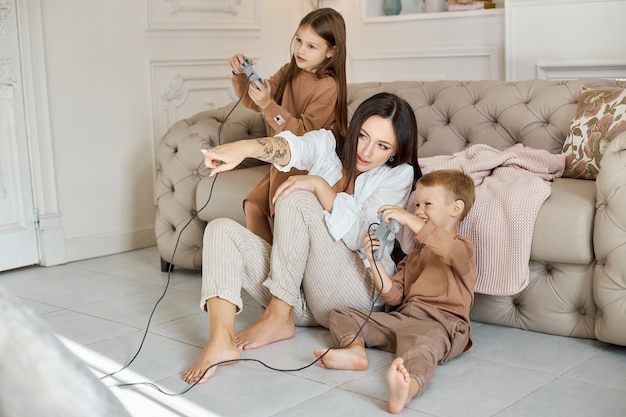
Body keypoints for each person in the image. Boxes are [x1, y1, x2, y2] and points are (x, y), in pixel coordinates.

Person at [182, 92, 421, 385]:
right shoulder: (328, 145)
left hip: (355, 296)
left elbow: (362, 236)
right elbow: (289, 147)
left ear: (395, 152)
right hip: (305, 297)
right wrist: (242, 149)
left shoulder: (398, 175)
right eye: (363, 136)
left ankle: (278, 316)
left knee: (299, 195)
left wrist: (320, 186)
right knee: (219, 229)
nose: (367, 152)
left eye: (382, 146)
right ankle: (221, 341)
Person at [313, 169, 476, 414]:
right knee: (341, 314)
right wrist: (374, 262)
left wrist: (409, 219)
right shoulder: (415, 257)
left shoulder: (463, 249)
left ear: (455, 209)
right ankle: (354, 350)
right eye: (416, 204)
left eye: (427, 204)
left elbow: (447, 249)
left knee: (420, 348)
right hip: (403, 319)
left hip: (441, 324)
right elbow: (394, 295)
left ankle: (406, 389)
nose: (418, 210)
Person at [229, 8, 348, 244]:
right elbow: (255, 102)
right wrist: (241, 75)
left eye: (311, 46)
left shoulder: (328, 86)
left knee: (285, 215)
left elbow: (303, 134)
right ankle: (262, 267)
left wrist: (269, 105)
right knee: (253, 204)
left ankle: (283, 270)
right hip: (282, 162)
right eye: (299, 40)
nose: (300, 50)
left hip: (307, 166)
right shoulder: (289, 71)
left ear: (331, 51)